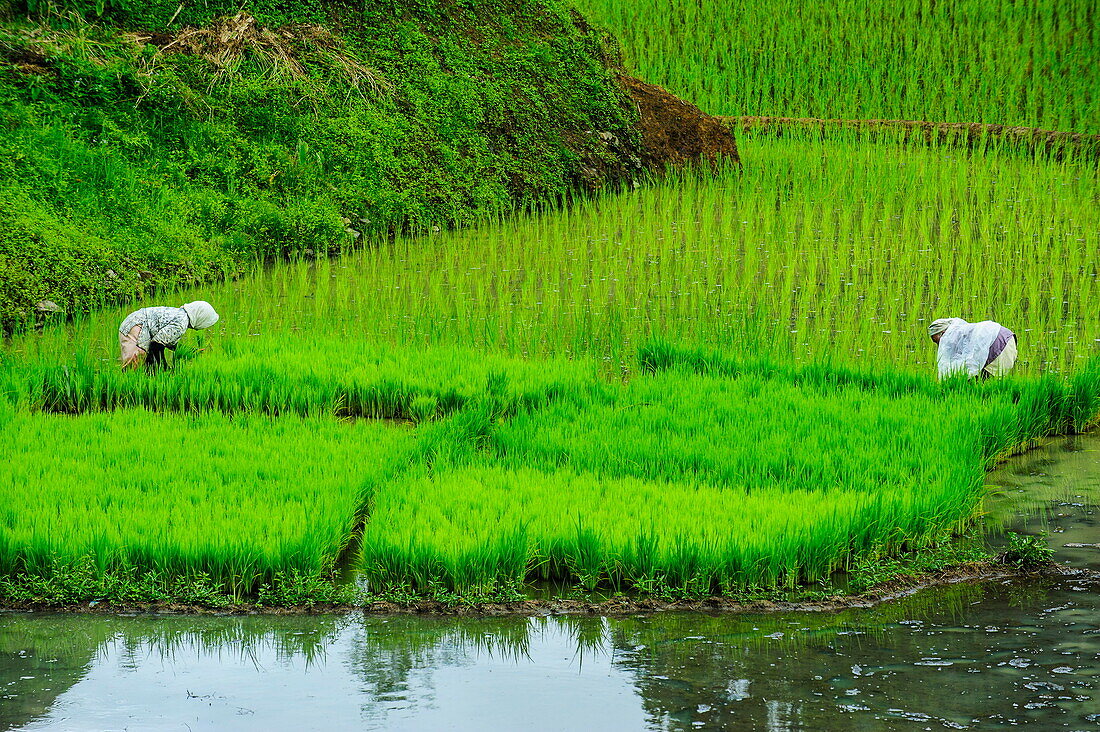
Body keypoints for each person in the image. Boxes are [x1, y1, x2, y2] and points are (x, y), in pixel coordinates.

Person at [119, 301, 219, 370]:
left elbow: (168, 342)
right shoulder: (181, 322)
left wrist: (191, 351)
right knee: (134, 364)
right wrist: (163, 367)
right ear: (200, 317)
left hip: (135, 323)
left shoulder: (180, 316)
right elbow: (156, 345)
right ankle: (123, 389)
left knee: (142, 365)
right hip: (136, 327)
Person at [928, 317, 1017, 380]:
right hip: (1007, 337)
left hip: (998, 346)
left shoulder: (953, 337)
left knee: (979, 382)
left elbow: (969, 364)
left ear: (943, 333)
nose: (939, 345)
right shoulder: (962, 331)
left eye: (938, 341)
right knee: (990, 382)